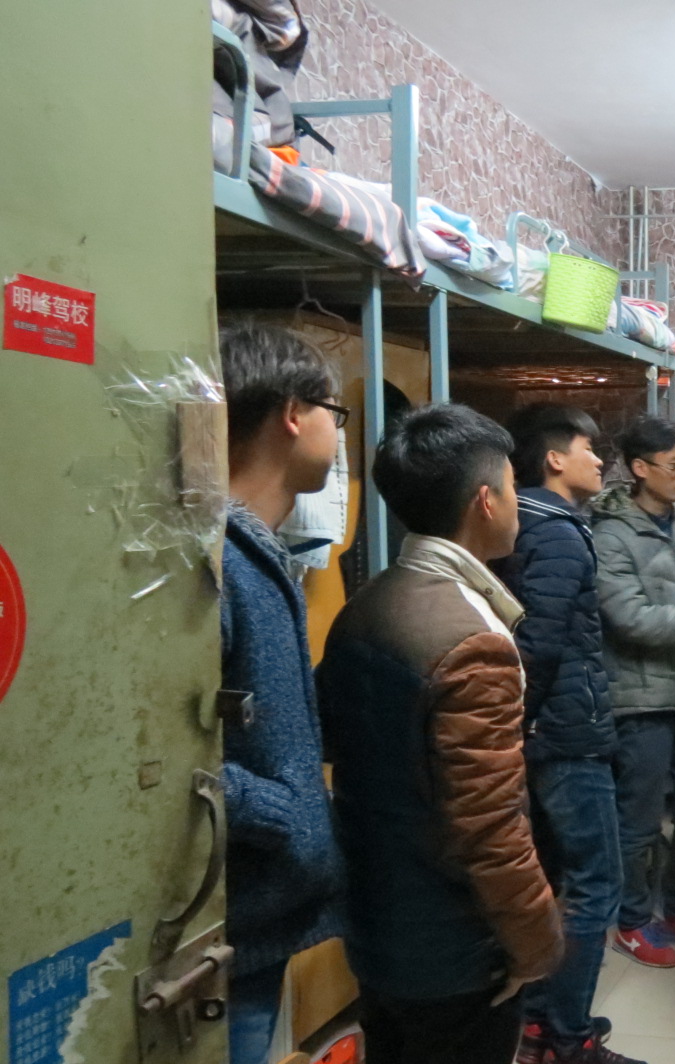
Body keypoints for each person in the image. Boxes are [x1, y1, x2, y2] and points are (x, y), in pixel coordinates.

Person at [317, 404, 564, 1064]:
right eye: (512, 485)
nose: (518, 502)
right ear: (485, 501)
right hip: (454, 947)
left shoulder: (367, 604)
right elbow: (490, 827)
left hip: (377, 922)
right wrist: (536, 945)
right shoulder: (469, 637)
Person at [218, 321, 344, 1064]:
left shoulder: (260, 553)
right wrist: (280, 811)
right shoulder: (215, 564)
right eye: (336, 412)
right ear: (294, 414)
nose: (339, 434)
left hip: (259, 915)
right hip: (227, 915)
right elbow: (147, 756)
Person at [498, 404, 638, 1064]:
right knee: (596, 882)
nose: (599, 460)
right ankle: (566, 1034)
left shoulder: (530, 522)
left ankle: (537, 1023)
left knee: (554, 878)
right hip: (566, 735)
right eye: (588, 448)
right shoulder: (554, 532)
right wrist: (524, 722)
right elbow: (542, 644)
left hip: (549, 729)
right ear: (554, 459)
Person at [591, 416, 675, 970]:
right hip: (638, 699)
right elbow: (633, 620)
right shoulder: (609, 534)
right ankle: (631, 920)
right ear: (640, 468)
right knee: (639, 821)